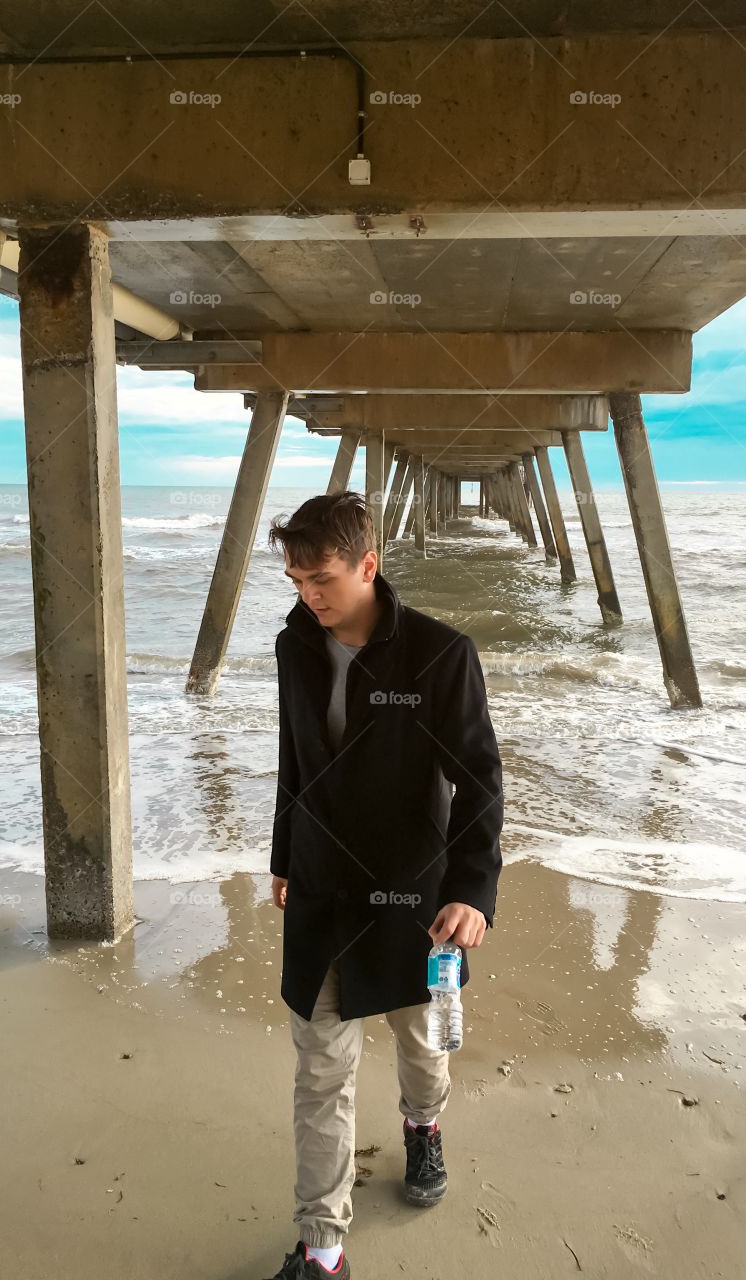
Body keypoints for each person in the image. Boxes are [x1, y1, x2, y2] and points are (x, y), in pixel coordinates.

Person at [264, 490, 503, 1279]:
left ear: (369, 564)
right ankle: (323, 1248)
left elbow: (481, 781)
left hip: (413, 899)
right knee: (321, 1070)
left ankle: (423, 1128)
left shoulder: (440, 653)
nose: (310, 596)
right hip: (323, 893)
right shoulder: (293, 644)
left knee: (423, 1044)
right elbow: (294, 759)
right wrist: (283, 856)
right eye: (297, 579)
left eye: (323, 578)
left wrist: (472, 888)